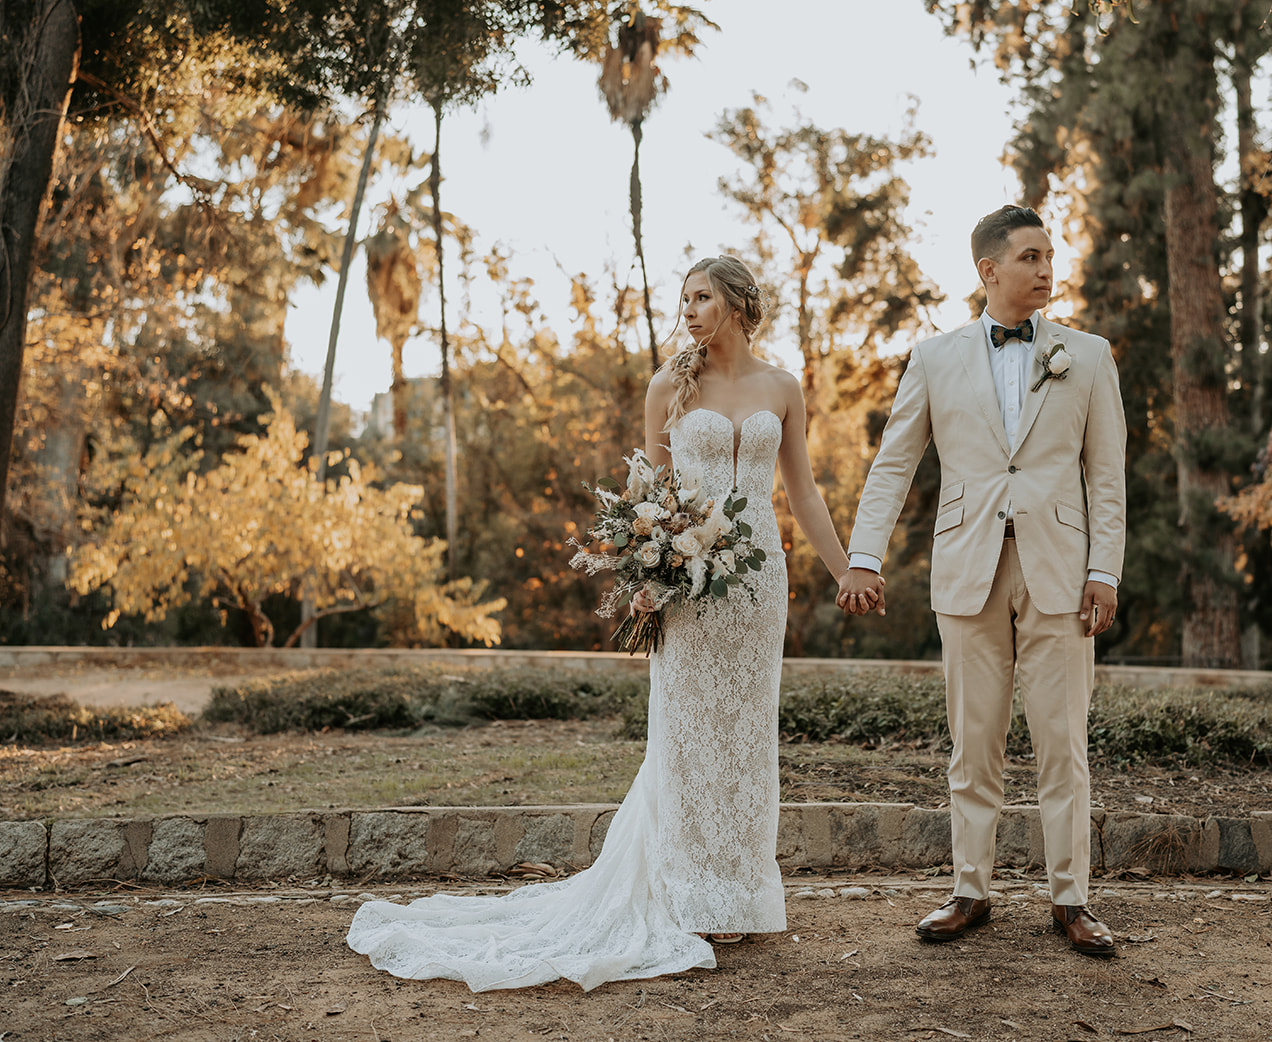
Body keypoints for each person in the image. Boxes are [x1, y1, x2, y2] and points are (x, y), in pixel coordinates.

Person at [346, 254, 868, 991]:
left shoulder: (782, 387)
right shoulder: (668, 386)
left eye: (703, 297)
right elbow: (650, 497)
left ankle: (741, 892)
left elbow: (804, 494)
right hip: (687, 587)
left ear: (741, 304)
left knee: (746, 736)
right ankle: (687, 893)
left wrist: (845, 568)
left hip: (756, 589)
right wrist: (647, 573)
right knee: (685, 735)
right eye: (683, 298)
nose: (688, 310)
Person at [838, 205, 1127, 955]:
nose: (1046, 268)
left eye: (1051, 255)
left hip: (1061, 575)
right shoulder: (935, 358)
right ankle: (971, 890)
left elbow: (1108, 476)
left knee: (1063, 743)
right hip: (967, 566)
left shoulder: (1088, 356)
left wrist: (1104, 571)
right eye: (1030, 256)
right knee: (973, 742)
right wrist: (863, 556)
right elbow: (894, 462)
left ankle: (1072, 901)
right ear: (988, 269)